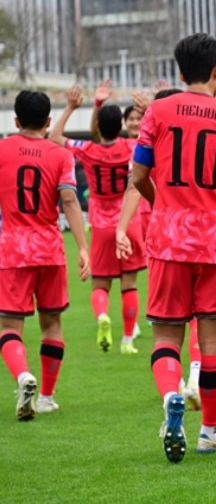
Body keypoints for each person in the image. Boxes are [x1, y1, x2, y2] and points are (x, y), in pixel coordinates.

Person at [116, 32, 216, 463]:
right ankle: (208, 431)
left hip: (166, 240)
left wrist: (160, 202)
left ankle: (171, 396)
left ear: (180, 73)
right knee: (214, 343)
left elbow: (137, 175)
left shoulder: (159, 112)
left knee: (167, 335)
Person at [0, 90, 90, 420]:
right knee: (52, 324)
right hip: (50, 249)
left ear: (16, 121)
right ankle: (48, 396)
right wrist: (82, 247)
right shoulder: (59, 155)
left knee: (10, 326)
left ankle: (23, 375)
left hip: (12, 249)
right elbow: (69, 201)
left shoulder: (2, 149)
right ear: (49, 122)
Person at [121, 86, 203, 410]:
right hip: (204, 236)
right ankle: (197, 380)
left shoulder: (152, 137)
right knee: (202, 320)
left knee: (166, 331)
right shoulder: (206, 130)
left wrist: (121, 226)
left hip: (162, 234)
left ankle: (172, 391)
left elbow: (136, 182)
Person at [49, 84, 146, 355]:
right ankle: (128, 339)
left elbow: (55, 137)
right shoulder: (131, 145)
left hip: (101, 225)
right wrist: (149, 110)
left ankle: (103, 316)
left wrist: (71, 107)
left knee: (100, 284)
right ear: (123, 126)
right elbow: (157, 137)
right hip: (129, 222)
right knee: (130, 284)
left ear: (99, 128)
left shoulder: (88, 150)